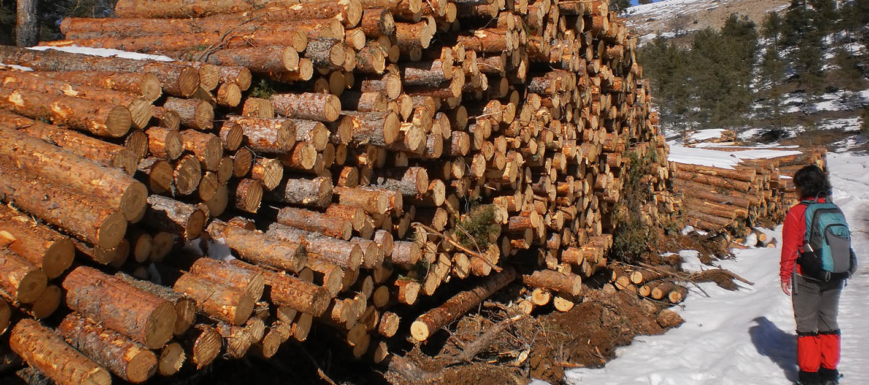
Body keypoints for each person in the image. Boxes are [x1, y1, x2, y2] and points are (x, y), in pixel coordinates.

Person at [780, 165, 855, 385]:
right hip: (835, 275)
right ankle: (829, 373)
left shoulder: (797, 212)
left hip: (806, 276)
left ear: (802, 187)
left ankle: (810, 376)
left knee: (806, 326)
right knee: (829, 323)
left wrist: (785, 275)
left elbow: (790, 248)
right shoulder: (835, 209)